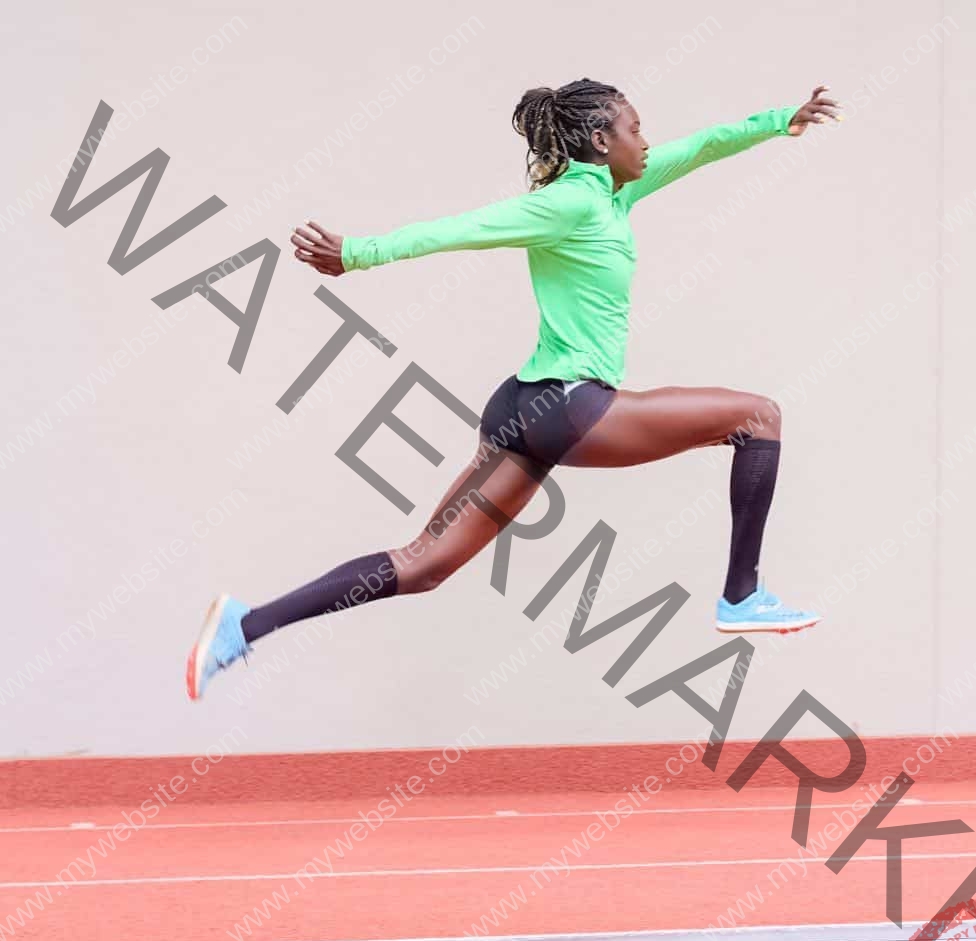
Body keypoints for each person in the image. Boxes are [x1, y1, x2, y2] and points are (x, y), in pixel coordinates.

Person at [187, 79, 840, 700]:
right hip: (571, 404)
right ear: (601, 141)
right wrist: (358, 252)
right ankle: (741, 594)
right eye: (636, 129)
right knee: (758, 416)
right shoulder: (570, 203)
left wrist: (779, 121)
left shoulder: (617, 191)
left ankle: (244, 625)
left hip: (522, 408)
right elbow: (465, 228)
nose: (647, 142)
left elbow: (700, 146)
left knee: (423, 564)